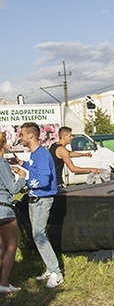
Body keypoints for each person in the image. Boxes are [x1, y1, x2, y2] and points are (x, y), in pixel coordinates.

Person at [16, 122, 63, 289]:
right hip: (35, 201)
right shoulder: (35, 155)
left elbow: (43, 180)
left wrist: (25, 180)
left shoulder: (41, 155)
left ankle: (56, 273)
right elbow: (36, 170)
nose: (19, 138)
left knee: (40, 236)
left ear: (31, 135)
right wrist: (22, 165)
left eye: (21, 134)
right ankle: (51, 269)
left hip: (42, 200)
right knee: (38, 237)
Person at [0, 132, 27, 293]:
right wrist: (22, 177)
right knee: (11, 246)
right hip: (4, 209)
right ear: (4, 146)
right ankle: (3, 283)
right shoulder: (2, 163)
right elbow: (13, 188)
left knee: (1, 246)